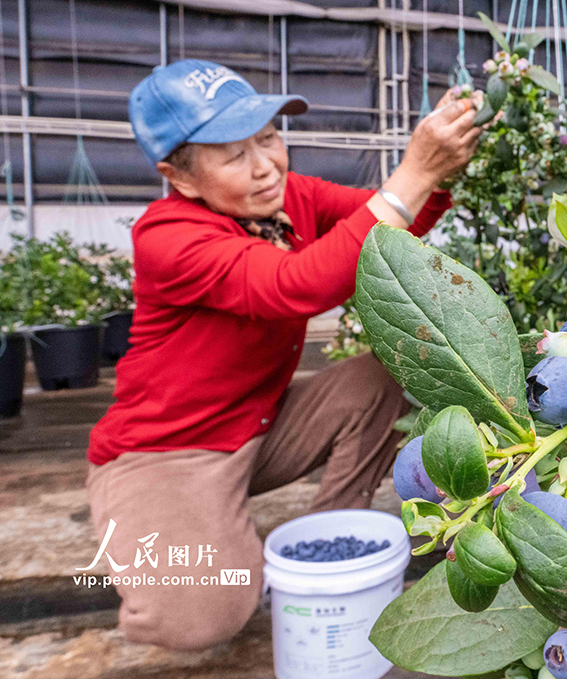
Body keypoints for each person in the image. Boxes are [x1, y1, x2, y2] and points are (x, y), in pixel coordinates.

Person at [84, 59, 481, 650]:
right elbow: (298, 284)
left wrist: (436, 171)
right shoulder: (168, 237)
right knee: (203, 618)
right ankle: (154, 538)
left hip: (259, 424)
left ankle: (327, 541)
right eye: (234, 153)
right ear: (181, 177)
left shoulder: (287, 198)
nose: (266, 164)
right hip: (168, 452)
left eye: (268, 137)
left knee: (371, 380)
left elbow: (395, 216)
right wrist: (413, 169)